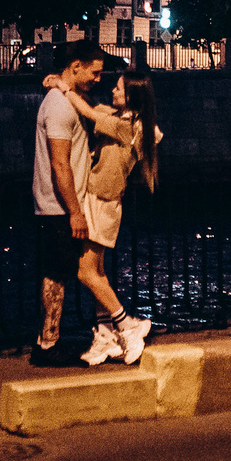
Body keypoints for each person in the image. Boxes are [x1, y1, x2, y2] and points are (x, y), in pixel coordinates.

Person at [63, 72, 163, 366]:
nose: (112, 90)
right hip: (101, 201)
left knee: (85, 273)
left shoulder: (128, 127)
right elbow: (94, 107)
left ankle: (127, 326)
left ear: (132, 95)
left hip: (102, 203)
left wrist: (61, 87)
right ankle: (105, 334)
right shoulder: (125, 120)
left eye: (118, 87)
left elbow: (87, 112)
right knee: (99, 273)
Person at [27, 42, 105, 366]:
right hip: (58, 207)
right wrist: (75, 211)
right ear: (75, 66)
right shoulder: (58, 107)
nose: (98, 78)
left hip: (60, 205)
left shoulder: (67, 100)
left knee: (61, 271)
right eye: (94, 71)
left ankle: (52, 340)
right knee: (56, 273)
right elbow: (60, 164)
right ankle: (48, 346)